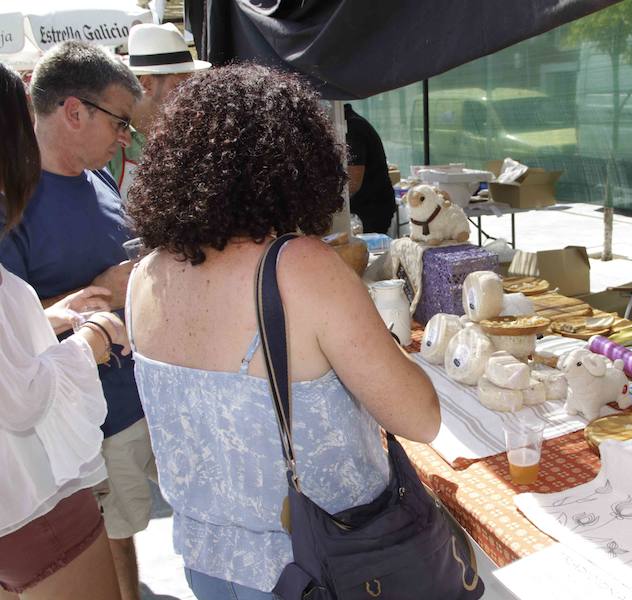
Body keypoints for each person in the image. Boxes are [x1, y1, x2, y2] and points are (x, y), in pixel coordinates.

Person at [126, 64, 440, 599]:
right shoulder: (300, 268)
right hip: (318, 567)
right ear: (295, 162)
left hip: (208, 565)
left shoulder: (144, 275)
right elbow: (421, 418)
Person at [0, 42, 156, 600]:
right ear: (73, 111)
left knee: (123, 535)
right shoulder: (14, 204)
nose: (126, 139)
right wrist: (99, 296)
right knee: (108, 545)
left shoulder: (99, 179)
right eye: (119, 123)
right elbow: (15, 335)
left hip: (135, 397)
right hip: (79, 430)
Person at [108, 22, 210, 202]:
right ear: (147, 83)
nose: (189, 94)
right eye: (179, 86)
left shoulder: (190, 135)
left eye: (191, 85)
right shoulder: (108, 141)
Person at [345, 103, 396, 233]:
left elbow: (353, 182)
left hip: (372, 209)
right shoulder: (352, 123)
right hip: (371, 205)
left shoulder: (352, 127)